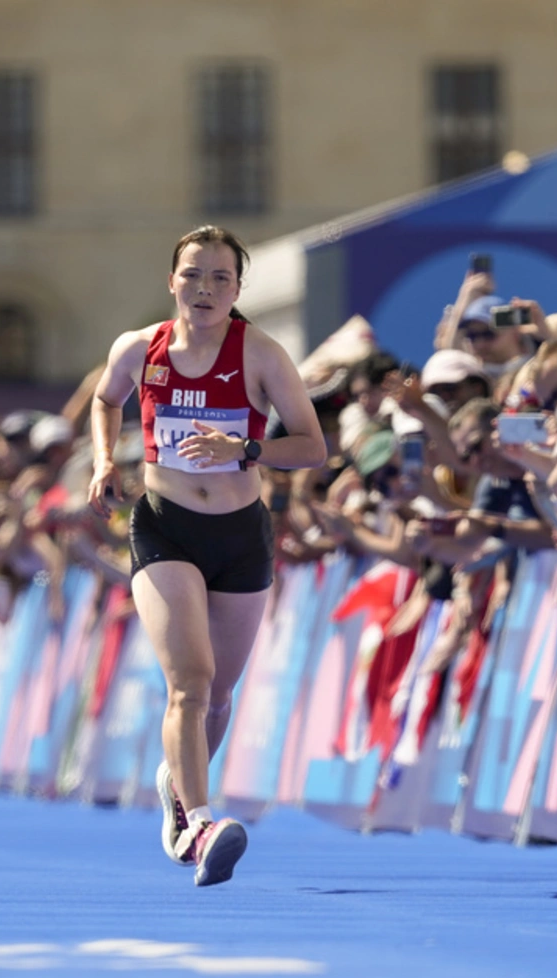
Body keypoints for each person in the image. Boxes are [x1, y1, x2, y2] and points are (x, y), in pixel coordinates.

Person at [86, 225, 326, 886]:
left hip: (241, 532)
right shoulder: (140, 349)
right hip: (164, 526)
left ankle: (175, 786)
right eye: (193, 274)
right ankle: (198, 823)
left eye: (221, 277)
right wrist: (106, 459)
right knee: (189, 680)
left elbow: (312, 446)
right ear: (172, 281)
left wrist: (244, 449)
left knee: (219, 693)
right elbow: (106, 400)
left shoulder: (262, 354)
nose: (205, 289)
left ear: (237, 290)